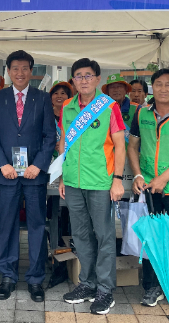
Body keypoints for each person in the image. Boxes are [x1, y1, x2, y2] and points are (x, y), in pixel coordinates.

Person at [57, 58, 125, 315]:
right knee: (81, 235)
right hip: (73, 182)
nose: (83, 80)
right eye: (78, 76)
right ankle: (87, 283)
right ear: (73, 80)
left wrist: (117, 179)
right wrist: (63, 176)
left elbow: (120, 144)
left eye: (88, 76)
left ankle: (105, 290)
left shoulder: (109, 107)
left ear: (97, 79)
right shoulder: (67, 106)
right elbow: (64, 141)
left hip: (100, 182)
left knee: (104, 235)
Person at [0, 50, 55, 302]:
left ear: (31, 70)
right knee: (7, 224)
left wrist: (38, 165)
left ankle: (36, 279)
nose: (20, 73)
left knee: (37, 225)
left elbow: (50, 135)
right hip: (7, 174)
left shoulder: (42, 98)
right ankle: (8, 276)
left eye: (25, 68)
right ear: (8, 70)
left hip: (33, 174)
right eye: (15, 68)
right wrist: (2, 163)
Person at [127, 68, 169, 312]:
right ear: (152, 88)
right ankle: (152, 286)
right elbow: (133, 145)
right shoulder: (141, 113)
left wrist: (163, 179)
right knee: (150, 238)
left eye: (168, 85)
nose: (163, 89)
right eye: (159, 84)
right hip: (148, 188)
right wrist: (137, 174)